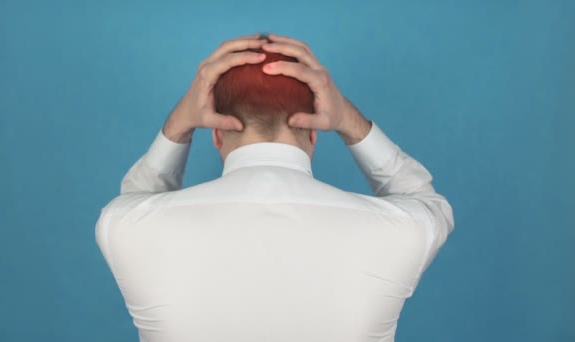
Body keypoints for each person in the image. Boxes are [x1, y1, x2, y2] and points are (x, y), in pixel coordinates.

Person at [95, 33, 454, 342]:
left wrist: (178, 125)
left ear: (216, 134)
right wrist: (348, 120)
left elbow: (137, 201)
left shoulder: (126, 228)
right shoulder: (399, 231)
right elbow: (423, 198)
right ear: (314, 132)